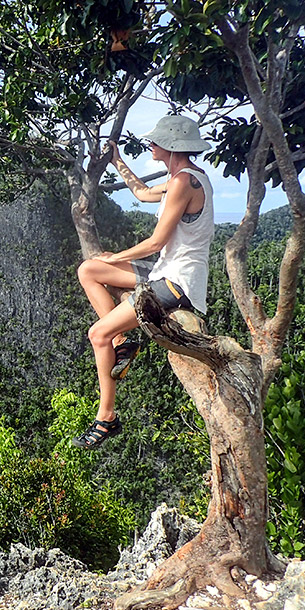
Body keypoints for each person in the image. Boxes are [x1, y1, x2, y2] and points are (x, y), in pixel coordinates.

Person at [73, 114, 214, 449]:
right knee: (88, 270)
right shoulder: (184, 177)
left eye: (155, 140)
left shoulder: (183, 183)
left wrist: (115, 257)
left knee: (97, 334)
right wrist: (117, 161)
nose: (150, 145)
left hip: (178, 283)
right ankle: (123, 342)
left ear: (171, 145)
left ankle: (106, 417)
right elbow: (143, 193)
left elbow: (155, 243)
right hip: (161, 271)